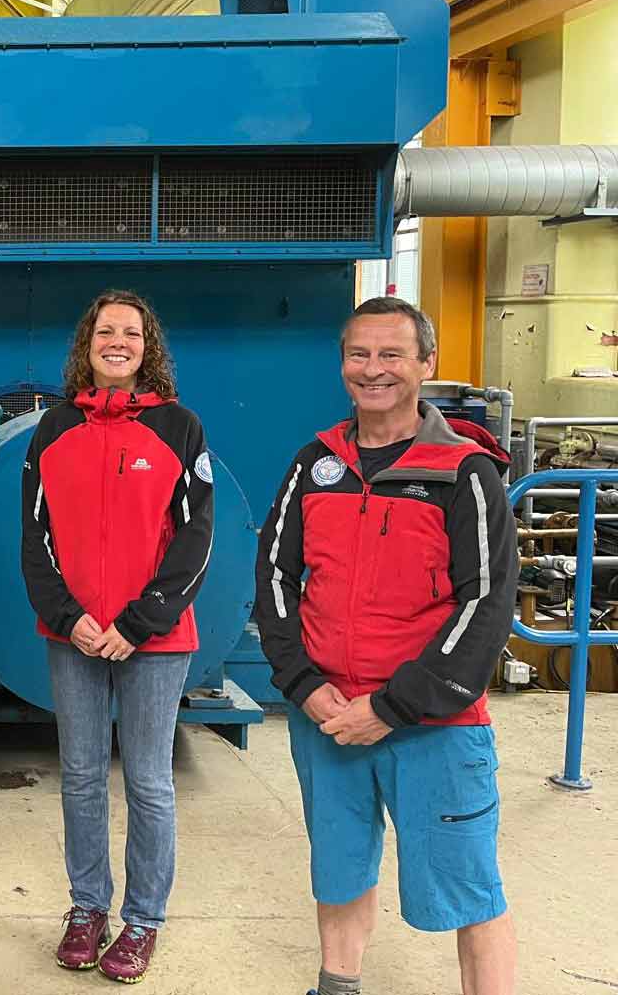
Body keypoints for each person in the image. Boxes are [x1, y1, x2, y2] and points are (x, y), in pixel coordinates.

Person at [255, 296, 517, 995]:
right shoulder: (316, 463)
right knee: (338, 874)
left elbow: (486, 609)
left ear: (427, 364)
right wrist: (305, 687)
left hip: (435, 725)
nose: (374, 371)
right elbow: (275, 579)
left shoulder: (465, 472)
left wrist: (394, 707)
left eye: (392, 355)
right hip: (329, 718)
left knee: (469, 890)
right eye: (359, 355)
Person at [19, 290, 214, 984]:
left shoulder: (180, 429)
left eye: (131, 332)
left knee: (151, 782)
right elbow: (33, 537)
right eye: (106, 331)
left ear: (146, 346)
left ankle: (143, 922)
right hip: (72, 633)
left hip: (153, 640)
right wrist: (70, 616)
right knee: (78, 776)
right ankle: (87, 909)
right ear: (88, 343)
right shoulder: (52, 429)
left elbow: (195, 539)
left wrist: (137, 623)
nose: (118, 342)